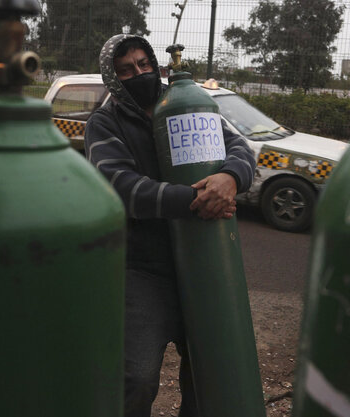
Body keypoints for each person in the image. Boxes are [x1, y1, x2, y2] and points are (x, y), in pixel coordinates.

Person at [84, 34, 256, 417]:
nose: (139, 74)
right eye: (126, 70)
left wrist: (230, 178)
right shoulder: (105, 122)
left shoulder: (182, 104)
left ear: (157, 65)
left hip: (203, 258)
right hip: (145, 268)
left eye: (144, 65)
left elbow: (240, 147)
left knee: (210, 369)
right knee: (138, 377)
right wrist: (196, 201)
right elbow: (122, 188)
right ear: (112, 78)